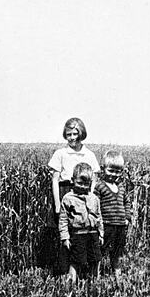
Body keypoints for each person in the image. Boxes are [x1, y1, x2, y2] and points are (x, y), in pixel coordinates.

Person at [46, 118, 100, 273]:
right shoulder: (60, 153)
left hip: (83, 193)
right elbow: (55, 180)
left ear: (81, 133)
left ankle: (81, 269)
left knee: (81, 232)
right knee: (65, 232)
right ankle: (64, 270)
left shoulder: (88, 154)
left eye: (75, 134)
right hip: (65, 192)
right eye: (69, 134)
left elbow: (94, 178)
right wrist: (57, 204)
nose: (72, 138)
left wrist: (89, 197)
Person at [59, 162, 104, 282]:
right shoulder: (68, 198)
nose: (83, 187)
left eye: (86, 184)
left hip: (93, 233)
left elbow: (98, 216)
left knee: (95, 259)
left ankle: (95, 281)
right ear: (73, 180)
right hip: (78, 234)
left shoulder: (94, 198)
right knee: (76, 260)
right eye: (80, 183)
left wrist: (101, 233)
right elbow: (63, 219)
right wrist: (65, 237)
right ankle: (71, 282)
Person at [94, 150, 132, 275]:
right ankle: (96, 274)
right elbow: (96, 204)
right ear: (103, 169)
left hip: (120, 225)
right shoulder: (100, 186)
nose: (114, 174)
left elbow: (126, 202)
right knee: (101, 250)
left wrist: (127, 217)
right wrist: (98, 222)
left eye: (118, 171)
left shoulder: (120, 187)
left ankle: (117, 273)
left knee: (117, 251)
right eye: (111, 171)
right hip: (106, 225)